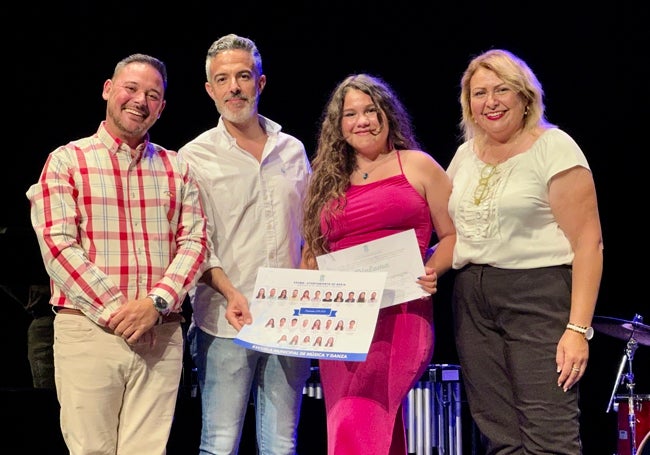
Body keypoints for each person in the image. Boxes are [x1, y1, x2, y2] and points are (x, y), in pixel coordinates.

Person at [25, 53, 209, 454]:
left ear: (162, 108)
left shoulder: (178, 168)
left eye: (153, 94)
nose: (140, 100)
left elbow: (195, 242)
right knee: (91, 450)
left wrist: (155, 305)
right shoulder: (66, 161)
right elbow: (58, 246)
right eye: (131, 88)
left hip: (160, 335)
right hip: (89, 332)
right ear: (109, 90)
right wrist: (121, 313)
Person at [446, 49, 603, 454]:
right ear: (469, 104)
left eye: (502, 90)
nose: (491, 102)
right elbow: (459, 235)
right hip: (472, 300)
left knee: (548, 435)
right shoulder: (464, 156)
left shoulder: (554, 147)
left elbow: (589, 243)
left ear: (525, 96)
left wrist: (576, 329)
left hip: (536, 294)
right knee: (500, 437)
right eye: (480, 93)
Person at [300, 73, 456, 455]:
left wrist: (432, 269)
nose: (363, 121)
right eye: (350, 114)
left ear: (387, 114)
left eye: (371, 110)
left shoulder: (418, 166)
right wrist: (309, 298)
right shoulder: (325, 180)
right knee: (363, 419)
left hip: (399, 315)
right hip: (342, 322)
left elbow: (453, 236)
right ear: (339, 125)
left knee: (358, 417)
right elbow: (312, 252)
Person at [178, 33, 312, 455]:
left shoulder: (292, 150)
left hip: (290, 318)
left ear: (261, 82)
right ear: (210, 89)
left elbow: (309, 229)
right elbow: (194, 241)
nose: (234, 86)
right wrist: (230, 291)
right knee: (219, 443)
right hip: (225, 319)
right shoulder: (193, 156)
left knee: (281, 444)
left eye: (243, 76)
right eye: (223, 79)